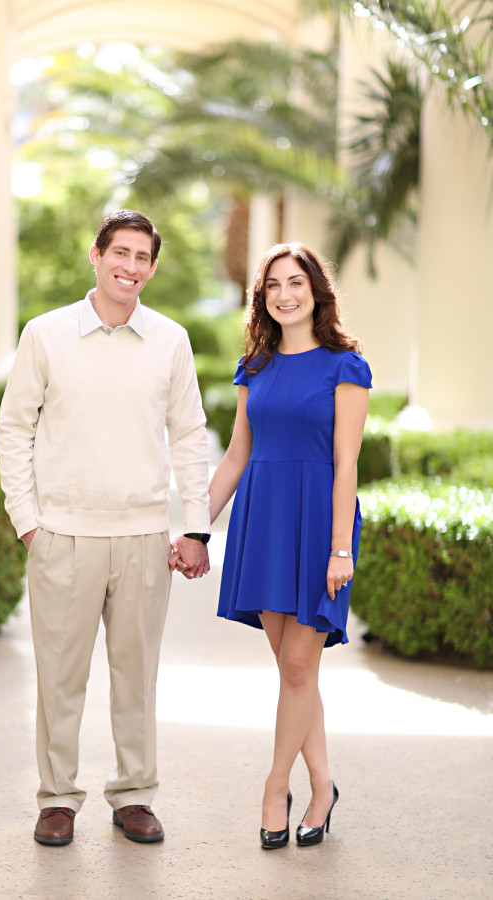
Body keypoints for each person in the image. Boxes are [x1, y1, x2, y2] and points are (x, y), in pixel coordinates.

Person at [0, 209, 211, 847]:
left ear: (151, 266)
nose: (131, 267)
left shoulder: (170, 340)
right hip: (62, 535)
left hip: (145, 536)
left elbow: (190, 436)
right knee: (60, 678)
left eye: (143, 257)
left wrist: (194, 527)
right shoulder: (45, 334)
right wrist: (29, 523)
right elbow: (14, 429)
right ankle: (57, 799)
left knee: (135, 677)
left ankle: (135, 796)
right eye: (120, 253)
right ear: (96, 255)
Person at [171, 241, 371, 850]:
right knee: (295, 673)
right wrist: (196, 525)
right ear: (263, 299)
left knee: (297, 666)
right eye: (273, 286)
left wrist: (341, 548)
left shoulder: (346, 366)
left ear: (317, 292)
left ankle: (274, 786)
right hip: (265, 520)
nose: (285, 295)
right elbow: (236, 456)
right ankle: (323, 785)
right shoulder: (255, 367)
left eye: (296, 283)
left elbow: (346, 464)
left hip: (318, 524)